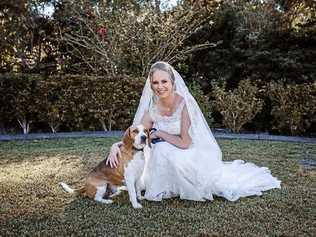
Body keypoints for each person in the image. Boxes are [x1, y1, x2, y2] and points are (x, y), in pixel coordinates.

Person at [106, 61, 281, 202]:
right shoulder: (152, 108)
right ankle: (165, 185)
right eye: (155, 82)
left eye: (164, 81)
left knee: (164, 150)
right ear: (151, 85)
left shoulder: (184, 105)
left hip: (187, 151)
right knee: (160, 150)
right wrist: (116, 146)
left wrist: (160, 134)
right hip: (162, 156)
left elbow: (185, 142)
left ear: (173, 82)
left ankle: (179, 185)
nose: (160, 86)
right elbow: (136, 135)